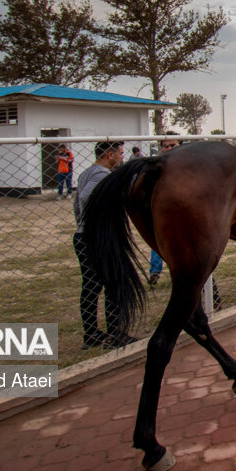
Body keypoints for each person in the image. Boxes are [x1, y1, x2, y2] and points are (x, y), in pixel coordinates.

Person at [74, 140, 136, 348]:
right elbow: (84, 198)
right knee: (113, 283)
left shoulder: (85, 173)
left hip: (83, 235)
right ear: (109, 155)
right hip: (98, 237)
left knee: (91, 285)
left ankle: (91, 334)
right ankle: (115, 334)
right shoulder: (102, 176)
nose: (121, 157)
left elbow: (77, 206)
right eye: (119, 153)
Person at [148, 133, 181, 287]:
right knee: (158, 244)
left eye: (172, 145)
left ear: (180, 144)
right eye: (165, 146)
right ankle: (155, 271)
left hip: (182, 213)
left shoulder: (189, 165)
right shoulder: (157, 165)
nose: (168, 148)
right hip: (162, 213)